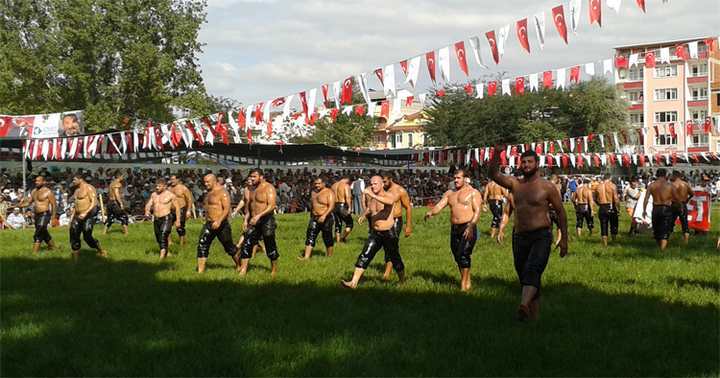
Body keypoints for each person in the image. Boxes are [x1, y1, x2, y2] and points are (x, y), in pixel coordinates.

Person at [489, 149, 568, 321]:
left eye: (529, 162)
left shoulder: (547, 187)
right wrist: (497, 153)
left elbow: (561, 213)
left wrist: (564, 240)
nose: (525, 165)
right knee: (526, 276)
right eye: (523, 162)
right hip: (520, 236)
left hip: (541, 235)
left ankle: (523, 305)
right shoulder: (515, 184)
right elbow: (494, 174)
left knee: (533, 270)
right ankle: (533, 317)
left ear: (537, 164)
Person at [424, 169, 482, 291]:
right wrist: (431, 212)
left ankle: (463, 286)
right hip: (455, 228)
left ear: (465, 179)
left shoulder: (473, 192)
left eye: (458, 178)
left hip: (468, 227)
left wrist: (471, 226)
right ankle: (467, 279)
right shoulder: (450, 193)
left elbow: (477, 211)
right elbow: (440, 205)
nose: (455, 180)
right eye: (454, 178)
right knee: (457, 256)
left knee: (463, 255)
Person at [342, 176, 403, 289]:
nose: (372, 186)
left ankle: (402, 281)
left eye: (375, 184)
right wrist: (364, 215)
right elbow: (371, 208)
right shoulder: (373, 198)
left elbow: (390, 202)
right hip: (375, 233)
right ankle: (353, 282)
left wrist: (372, 195)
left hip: (388, 232)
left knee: (394, 257)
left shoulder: (388, 195)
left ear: (381, 184)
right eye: (371, 184)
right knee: (365, 254)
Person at [238, 169, 280, 277]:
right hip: (253, 220)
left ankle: (274, 269)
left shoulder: (268, 188)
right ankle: (243, 270)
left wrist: (259, 216)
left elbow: (271, 206)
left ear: (261, 177)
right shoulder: (251, 189)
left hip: (266, 219)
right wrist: (246, 219)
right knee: (247, 243)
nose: (252, 178)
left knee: (269, 243)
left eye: (254, 176)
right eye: (251, 176)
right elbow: (250, 207)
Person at [196, 174, 238, 273]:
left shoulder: (222, 192)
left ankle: (239, 264)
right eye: (204, 182)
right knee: (202, 244)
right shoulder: (208, 193)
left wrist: (219, 221)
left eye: (207, 182)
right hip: (209, 223)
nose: (205, 184)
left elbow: (227, 208)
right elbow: (208, 207)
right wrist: (205, 216)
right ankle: (200, 271)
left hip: (221, 223)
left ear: (214, 181)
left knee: (229, 247)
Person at [381, 172, 413, 281]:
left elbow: (408, 207)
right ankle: (390, 269)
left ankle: (388, 273)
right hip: (384, 220)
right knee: (385, 245)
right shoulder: (381, 190)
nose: (383, 184)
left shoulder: (400, 190)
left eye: (384, 181)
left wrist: (408, 225)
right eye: (382, 182)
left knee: (391, 244)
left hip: (395, 220)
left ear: (390, 179)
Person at [69, 175, 107, 258]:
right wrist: (72, 216)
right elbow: (76, 205)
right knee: (73, 233)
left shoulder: (89, 188)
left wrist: (85, 213)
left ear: (80, 179)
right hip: (77, 215)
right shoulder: (77, 191)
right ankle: (75, 258)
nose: (73, 181)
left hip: (88, 215)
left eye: (74, 179)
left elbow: (94, 203)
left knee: (87, 236)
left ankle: (100, 250)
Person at [17, 175, 57, 253]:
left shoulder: (48, 191)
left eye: (38, 181)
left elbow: (54, 205)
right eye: (36, 181)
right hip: (37, 215)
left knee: (39, 230)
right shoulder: (34, 191)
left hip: (45, 214)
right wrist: (20, 205)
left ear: (43, 182)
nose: (36, 182)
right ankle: (53, 247)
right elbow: (29, 202)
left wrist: (53, 217)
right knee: (43, 231)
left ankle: (35, 251)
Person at [145, 179, 181, 259]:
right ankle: (166, 252)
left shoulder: (171, 195)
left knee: (163, 235)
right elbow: (149, 204)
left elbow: (177, 208)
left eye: (159, 186)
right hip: (156, 218)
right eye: (156, 186)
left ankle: (161, 257)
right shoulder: (153, 194)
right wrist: (147, 211)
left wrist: (178, 220)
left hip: (166, 218)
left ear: (165, 186)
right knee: (158, 237)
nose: (157, 188)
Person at [300, 177, 335, 259]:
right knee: (310, 236)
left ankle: (329, 256)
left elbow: (331, 206)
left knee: (327, 237)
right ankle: (306, 257)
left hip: (326, 218)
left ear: (323, 183)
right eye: (315, 183)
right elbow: (313, 205)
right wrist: (311, 215)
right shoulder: (313, 192)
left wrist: (324, 215)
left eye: (319, 183)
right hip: (314, 218)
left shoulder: (329, 192)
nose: (317, 185)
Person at [643, 169, 674, 251]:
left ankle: (660, 247)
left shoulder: (652, 185)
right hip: (666, 207)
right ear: (665, 175)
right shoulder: (669, 185)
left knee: (656, 229)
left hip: (656, 208)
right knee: (665, 229)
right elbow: (676, 198)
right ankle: (662, 250)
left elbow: (646, 199)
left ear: (656, 175)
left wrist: (644, 210)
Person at [594, 175, 620, 247]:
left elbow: (595, 198)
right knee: (614, 224)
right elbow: (616, 199)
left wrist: (599, 204)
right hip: (611, 205)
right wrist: (618, 209)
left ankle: (605, 244)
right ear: (610, 178)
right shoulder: (612, 186)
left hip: (602, 206)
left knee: (603, 225)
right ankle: (614, 242)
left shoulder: (598, 186)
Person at [169, 175, 194, 246]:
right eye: (171, 179)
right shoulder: (169, 188)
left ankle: (182, 243)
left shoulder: (183, 188)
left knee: (179, 227)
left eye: (173, 179)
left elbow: (189, 199)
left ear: (178, 180)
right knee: (168, 226)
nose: (172, 181)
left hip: (181, 209)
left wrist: (188, 210)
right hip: (171, 209)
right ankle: (169, 242)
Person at [670, 171, 693, 245]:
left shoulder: (672, 185)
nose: (671, 177)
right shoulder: (685, 184)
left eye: (672, 176)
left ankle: (669, 238)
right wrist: (687, 200)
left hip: (674, 205)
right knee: (684, 223)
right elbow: (692, 194)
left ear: (675, 176)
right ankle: (686, 241)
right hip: (683, 204)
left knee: (670, 222)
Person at [331, 176, 353, 242]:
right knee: (350, 223)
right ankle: (343, 238)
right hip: (342, 205)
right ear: (347, 180)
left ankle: (337, 241)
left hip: (334, 206)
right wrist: (350, 207)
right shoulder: (345, 186)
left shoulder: (333, 185)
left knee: (338, 224)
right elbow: (348, 197)